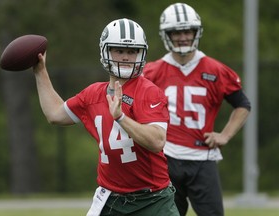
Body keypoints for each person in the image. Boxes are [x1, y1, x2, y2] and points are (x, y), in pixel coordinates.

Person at [33, 18, 180, 216]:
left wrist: (121, 118)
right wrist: (40, 71)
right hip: (111, 198)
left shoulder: (149, 92)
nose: (126, 57)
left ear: (141, 54)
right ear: (105, 51)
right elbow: (55, 114)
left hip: (152, 200)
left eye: (132, 51)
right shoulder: (93, 94)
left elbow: (157, 141)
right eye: (119, 50)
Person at [143, 3, 251, 216]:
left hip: (203, 158)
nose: (183, 37)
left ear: (196, 32)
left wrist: (225, 135)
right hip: (165, 157)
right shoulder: (152, 71)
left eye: (187, 31)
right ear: (167, 35)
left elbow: (242, 104)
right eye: (177, 32)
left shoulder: (215, 70)